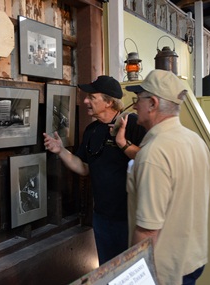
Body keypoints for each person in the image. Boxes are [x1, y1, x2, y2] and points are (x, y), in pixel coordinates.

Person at [43, 75, 146, 265]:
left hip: (130, 218)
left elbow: (146, 160)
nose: (85, 101)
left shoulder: (132, 124)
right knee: (108, 268)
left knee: (132, 270)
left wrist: (122, 143)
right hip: (101, 217)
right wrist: (61, 151)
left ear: (108, 102)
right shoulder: (91, 130)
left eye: (92, 97)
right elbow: (84, 168)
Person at [124, 69, 210, 285]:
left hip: (165, 269)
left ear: (152, 104)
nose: (135, 106)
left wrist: (135, 274)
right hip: (193, 259)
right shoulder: (195, 141)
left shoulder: (154, 153)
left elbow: (147, 230)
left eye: (138, 100)